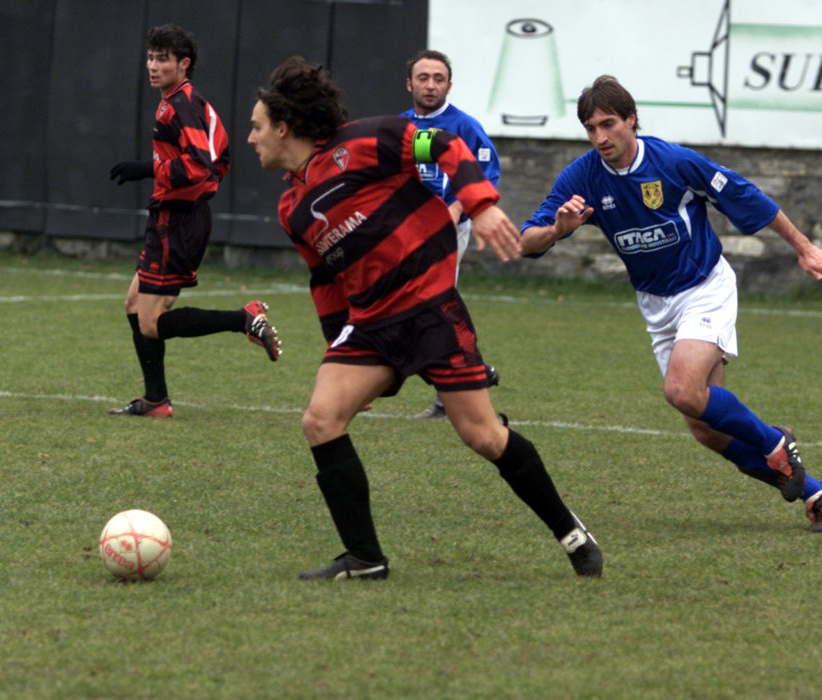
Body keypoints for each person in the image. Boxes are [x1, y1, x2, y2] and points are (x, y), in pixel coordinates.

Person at [247, 56, 602, 579]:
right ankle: (365, 559)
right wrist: (334, 351)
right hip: (370, 324)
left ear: (283, 127)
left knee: (483, 435)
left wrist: (479, 204)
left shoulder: (366, 140)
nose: (251, 139)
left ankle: (572, 533)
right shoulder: (291, 207)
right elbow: (326, 279)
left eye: (256, 128)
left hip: (430, 308)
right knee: (321, 420)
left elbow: (442, 145)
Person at [521, 75, 822, 533]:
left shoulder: (672, 162)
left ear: (631, 119)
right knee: (705, 428)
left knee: (681, 392)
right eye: (591, 128)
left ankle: (776, 442)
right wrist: (558, 229)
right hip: (656, 305)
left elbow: (744, 195)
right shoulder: (582, 176)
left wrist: (804, 247)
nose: (600, 137)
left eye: (608, 124)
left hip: (704, 287)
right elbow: (525, 242)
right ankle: (814, 492)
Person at [107, 24, 280, 418]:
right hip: (173, 215)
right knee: (135, 305)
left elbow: (200, 166)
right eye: (150, 56)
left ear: (183, 64)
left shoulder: (182, 103)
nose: (153, 65)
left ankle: (244, 319)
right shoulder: (179, 100)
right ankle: (155, 400)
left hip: (178, 220)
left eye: (162, 58)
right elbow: (216, 160)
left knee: (151, 322)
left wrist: (148, 168)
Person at [401, 49, 502, 419]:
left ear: (449, 85)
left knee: (429, 306)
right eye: (423, 78)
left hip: (447, 232)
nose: (430, 85)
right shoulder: (400, 127)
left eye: (438, 79)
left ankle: (460, 383)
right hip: (404, 234)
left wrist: (458, 208)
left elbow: (487, 174)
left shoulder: (464, 127)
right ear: (409, 83)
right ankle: (472, 370)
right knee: (421, 309)